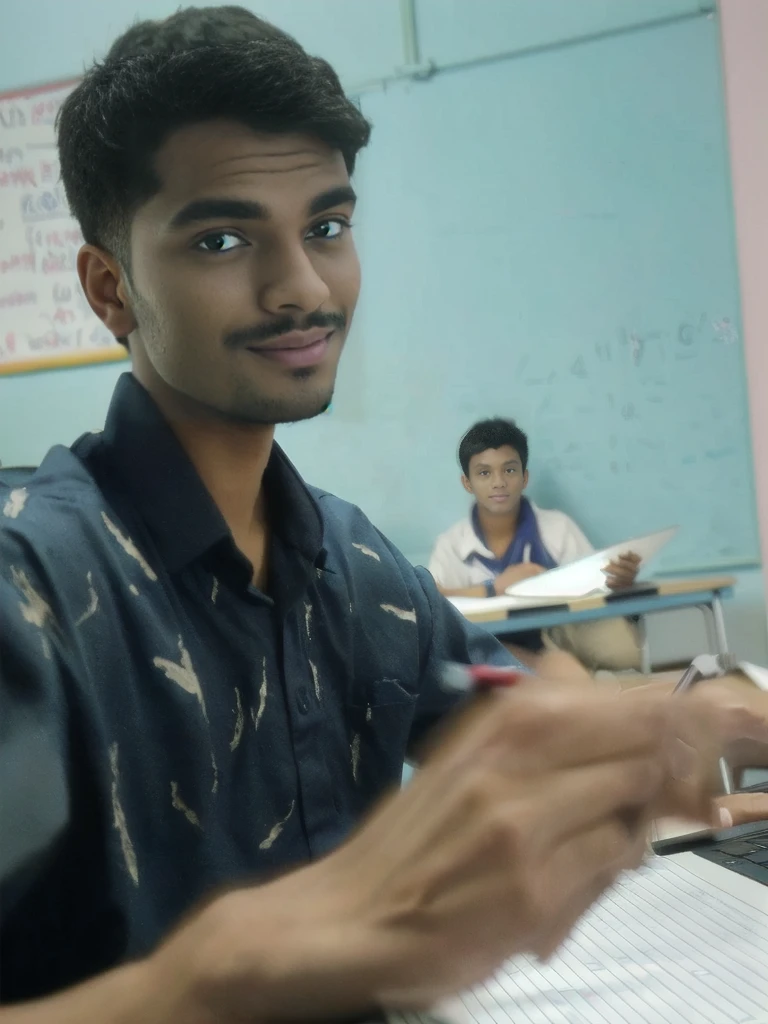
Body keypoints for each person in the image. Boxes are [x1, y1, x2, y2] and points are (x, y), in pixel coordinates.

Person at [1, 8, 767, 1020]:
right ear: (112, 290)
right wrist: (212, 973)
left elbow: (492, 696)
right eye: (223, 238)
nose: (304, 287)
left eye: (326, 227)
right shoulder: (34, 596)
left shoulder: (358, 569)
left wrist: (662, 722)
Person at [429, 418, 642, 674]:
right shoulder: (451, 545)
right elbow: (434, 598)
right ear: (467, 483)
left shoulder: (557, 528)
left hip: (563, 646)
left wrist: (618, 581)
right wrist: (494, 588)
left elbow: (593, 588)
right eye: (484, 473)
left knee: (620, 652)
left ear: (524, 477)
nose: (499, 482)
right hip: (493, 655)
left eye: (509, 470)